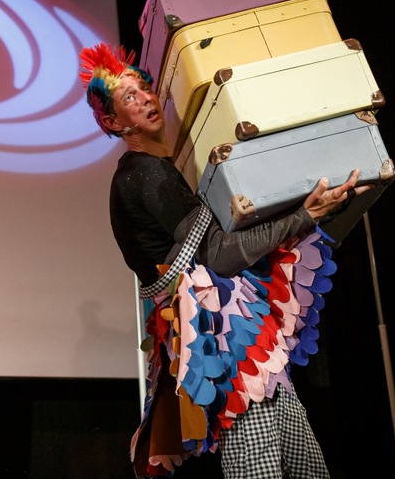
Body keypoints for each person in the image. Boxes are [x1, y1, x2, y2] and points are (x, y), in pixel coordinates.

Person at [78, 42, 368, 479]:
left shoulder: (159, 169)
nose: (147, 99)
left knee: (304, 464)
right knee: (260, 466)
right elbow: (221, 256)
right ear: (114, 122)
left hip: (241, 332)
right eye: (129, 97)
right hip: (220, 335)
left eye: (145, 88)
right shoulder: (143, 174)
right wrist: (304, 216)